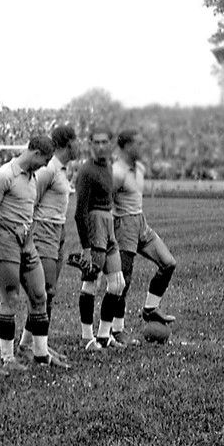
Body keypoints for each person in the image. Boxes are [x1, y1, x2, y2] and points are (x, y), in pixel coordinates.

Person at [0, 135, 69, 370]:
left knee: (40, 296)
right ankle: (7, 358)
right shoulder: (4, 176)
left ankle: (40, 354)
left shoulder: (33, 178)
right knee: (11, 297)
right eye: (44, 159)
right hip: (7, 240)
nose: (45, 165)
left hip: (27, 241)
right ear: (35, 152)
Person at [112, 129, 177, 343]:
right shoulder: (117, 172)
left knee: (168, 263)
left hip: (141, 221)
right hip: (124, 225)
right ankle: (116, 330)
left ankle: (150, 309)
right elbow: (104, 204)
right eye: (138, 144)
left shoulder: (138, 167)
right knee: (124, 280)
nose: (142, 148)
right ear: (126, 146)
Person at [18, 126, 78, 358]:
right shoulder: (49, 169)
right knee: (44, 291)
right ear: (68, 143)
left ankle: (29, 344)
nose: (80, 145)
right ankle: (36, 347)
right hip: (43, 232)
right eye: (76, 140)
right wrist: (31, 235)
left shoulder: (61, 169)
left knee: (46, 293)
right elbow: (31, 201)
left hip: (56, 232)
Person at [74, 127, 127, 350]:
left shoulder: (108, 166)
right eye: (96, 142)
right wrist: (86, 246)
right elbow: (79, 213)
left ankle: (104, 335)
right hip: (95, 224)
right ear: (90, 144)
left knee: (117, 284)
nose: (100, 146)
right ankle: (87, 338)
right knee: (91, 282)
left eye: (105, 142)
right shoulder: (87, 171)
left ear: (111, 144)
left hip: (108, 223)